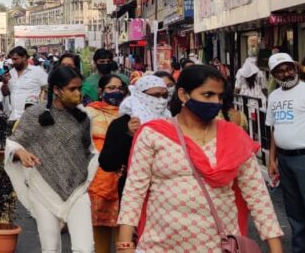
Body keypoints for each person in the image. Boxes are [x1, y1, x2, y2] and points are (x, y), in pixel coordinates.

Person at [115, 65, 284, 253]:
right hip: (160, 245)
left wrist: (276, 248)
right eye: (207, 95)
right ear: (183, 95)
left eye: (219, 96)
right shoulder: (154, 134)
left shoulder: (233, 136)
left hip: (219, 245)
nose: (215, 102)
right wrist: (124, 244)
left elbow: (258, 196)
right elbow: (134, 191)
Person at [5, 66, 96, 253]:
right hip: (42, 188)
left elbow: (89, 150)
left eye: (80, 88)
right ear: (56, 90)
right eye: (72, 89)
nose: (78, 93)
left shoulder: (84, 117)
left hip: (77, 189)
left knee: (85, 248)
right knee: (50, 247)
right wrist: (21, 153)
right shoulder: (35, 115)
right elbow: (13, 143)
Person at [266, 53, 305, 253]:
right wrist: (272, 159)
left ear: (296, 68)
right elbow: (274, 129)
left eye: (289, 69)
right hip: (284, 159)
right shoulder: (274, 96)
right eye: (280, 71)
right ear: (274, 75)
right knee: (294, 210)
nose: (286, 74)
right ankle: (301, 249)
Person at [99, 75, 170, 198]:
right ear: (140, 95)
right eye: (156, 95)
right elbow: (107, 163)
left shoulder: (170, 120)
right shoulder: (123, 123)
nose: (161, 100)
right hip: (134, 191)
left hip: (167, 191)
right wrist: (129, 135)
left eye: (164, 96)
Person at [85, 74, 128, 253]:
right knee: (99, 227)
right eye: (111, 88)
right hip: (97, 177)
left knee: (125, 225)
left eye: (119, 88)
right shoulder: (88, 113)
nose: (116, 92)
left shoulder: (131, 113)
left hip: (125, 176)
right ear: (100, 91)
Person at [0, 46, 48, 125]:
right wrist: (5, 83)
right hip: (13, 118)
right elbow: (5, 93)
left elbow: (49, 90)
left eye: (16, 59)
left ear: (24, 57)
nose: (13, 62)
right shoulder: (11, 73)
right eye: (12, 59)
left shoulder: (37, 71)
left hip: (32, 120)